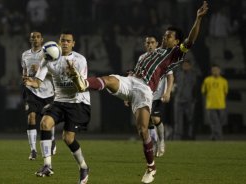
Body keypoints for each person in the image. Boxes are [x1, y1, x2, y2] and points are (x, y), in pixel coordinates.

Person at [68, 2, 208, 183]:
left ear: (176, 41)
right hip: (131, 82)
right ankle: (83, 83)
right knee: (110, 79)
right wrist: (128, 85)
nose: (165, 38)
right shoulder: (148, 54)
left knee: (143, 130)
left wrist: (198, 18)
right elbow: (135, 72)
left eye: (169, 36)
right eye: (165, 35)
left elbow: (191, 39)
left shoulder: (174, 53)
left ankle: (151, 168)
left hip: (144, 90)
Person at [24, 30, 91, 184]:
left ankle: (83, 166)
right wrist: (30, 82)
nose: (65, 43)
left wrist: (73, 74)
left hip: (77, 102)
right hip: (60, 100)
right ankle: (47, 165)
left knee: (68, 138)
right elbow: (38, 81)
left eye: (68, 41)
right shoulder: (48, 58)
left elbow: (82, 87)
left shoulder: (80, 60)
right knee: (45, 123)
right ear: (58, 43)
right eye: (63, 40)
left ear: (73, 43)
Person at [21, 31, 56, 160]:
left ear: (42, 40)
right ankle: (33, 150)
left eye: (37, 37)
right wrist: (25, 78)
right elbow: (24, 72)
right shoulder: (25, 55)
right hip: (32, 91)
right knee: (31, 117)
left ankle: (52, 141)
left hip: (47, 92)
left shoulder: (48, 54)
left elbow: (54, 74)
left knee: (47, 121)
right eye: (33, 37)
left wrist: (40, 71)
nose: (35, 39)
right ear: (30, 40)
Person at [137, 36, 174, 157]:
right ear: (145, 44)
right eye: (147, 43)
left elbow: (170, 76)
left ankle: (162, 141)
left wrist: (168, 92)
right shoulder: (142, 58)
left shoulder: (163, 58)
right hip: (145, 94)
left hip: (157, 95)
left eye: (152, 43)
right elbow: (136, 76)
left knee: (155, 118)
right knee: (146, 123)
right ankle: (153, 142)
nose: (150, 45)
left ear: (157, 44)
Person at [201, 64, 228, 140]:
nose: (215, 71)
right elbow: (204, 92)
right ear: (211, 71)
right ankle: (219, 138)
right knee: (215, 123)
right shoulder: (207, 80)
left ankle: (213, 136)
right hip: (211, 105)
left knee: (219, 123)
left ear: (220, 71)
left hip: (221, 105)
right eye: (213, 70)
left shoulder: (224, 81)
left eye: (216, 70)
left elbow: (225, 93)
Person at [173, 59, 198, 140]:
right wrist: (174, 95)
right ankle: (177, 137)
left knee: (190, 120)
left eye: (187, 65)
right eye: (184, 65)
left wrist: (194, 99)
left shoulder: (193, 75)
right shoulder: (178, 74)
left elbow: (195, 88)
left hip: (189, 101)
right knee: (177, 120)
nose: (185, 66)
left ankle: (191, 136)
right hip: (178, 100)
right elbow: (174, 86)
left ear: (190, 66)